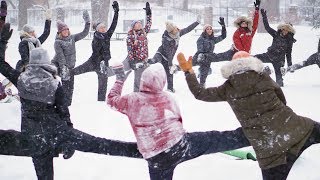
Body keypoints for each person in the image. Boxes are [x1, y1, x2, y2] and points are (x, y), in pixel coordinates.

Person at [0, 23, 142, 180]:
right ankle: (140, 151)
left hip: (33, 137)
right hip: (57, 132)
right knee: (100, 144)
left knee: (44, 174)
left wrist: (2, 42)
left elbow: (2, 65)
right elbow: (63, 111)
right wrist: (67, 137)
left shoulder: (21, 80)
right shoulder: (54, 83)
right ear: (47, 63)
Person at [178, 51, 319, 180]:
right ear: (252, 62)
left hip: (266, 147)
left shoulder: (228, 87)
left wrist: (189, 73)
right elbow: (281, 98)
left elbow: (200, 93)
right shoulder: (263, 77)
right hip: (296, 127)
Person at [107, 62, 251, 180]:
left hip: (154, 156)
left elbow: (111, 100)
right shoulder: (168, 98)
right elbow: (178, 120)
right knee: (216, 138)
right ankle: (250, 135)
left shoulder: (131, 100)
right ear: (162, 82)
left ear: (143, 80)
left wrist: (120, 79)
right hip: (179, 145)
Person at [72, 1, 119, 101]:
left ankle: (100, 104)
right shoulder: (96, 38)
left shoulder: (107, 35)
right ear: (97, 29)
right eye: (101, 27)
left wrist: (116, 12)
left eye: (104, 27)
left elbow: (114, 25)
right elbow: (97, 50)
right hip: (93, 62)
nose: (104, 28)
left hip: (103, 64)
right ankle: (63, 74)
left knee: (103, 86)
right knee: (75, 71)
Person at [148, 18, 200, 93]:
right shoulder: (166, 39)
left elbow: (188, 29)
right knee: (156, 60)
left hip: (168, 58)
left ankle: (170, 89)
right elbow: (168, 52)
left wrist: (197, 22)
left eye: (176, 27)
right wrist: (170, 64)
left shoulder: (178, 33)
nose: (177, 29)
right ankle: (148, 62)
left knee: (170, 73)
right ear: (171, 31)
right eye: (175, 28)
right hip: (161, 53)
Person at [52, 10, 91, 106]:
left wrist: (87, 22)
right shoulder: (58, 42)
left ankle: (68, 104)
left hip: (71, 67)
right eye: (63, 30)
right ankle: (63, 104)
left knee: (71, 87)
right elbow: (60, 57)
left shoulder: (72, 38)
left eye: (66, 29)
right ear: (60, 32)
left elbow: (84, 33)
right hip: (62, 66)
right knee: (65, 86)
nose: (65, 31)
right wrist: (64, 68)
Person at [254, 9, 296, 87]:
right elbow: (267, 27)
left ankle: (275, 76)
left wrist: (290, 65)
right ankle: (263, 71)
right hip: (269, 55)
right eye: (283, 29)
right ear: (281, 29)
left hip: (279, 61)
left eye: (287, 30)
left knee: (279, 84)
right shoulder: (276, 34)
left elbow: (288, 53)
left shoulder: (289, 40)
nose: (284, 31)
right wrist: (264, 16)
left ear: (289, 31)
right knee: (253, 58)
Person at [192, 17, 234, 87]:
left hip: (208, 57)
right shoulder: (201, 39)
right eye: (207, 29)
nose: (209, 30)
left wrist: (223, 26)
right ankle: (177, 67)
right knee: (193, 66)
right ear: (204, 31)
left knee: (204, 72)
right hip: (200, 56)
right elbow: (200, 50)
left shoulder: (212, 39)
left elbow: (223, 36)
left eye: (210, 29)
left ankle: (202, 84)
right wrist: (205, 56)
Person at [124, 2, 152, 92]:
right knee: (138, 79)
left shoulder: (144, 33)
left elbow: (149, 24)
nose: (139, 24)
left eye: (140, 23)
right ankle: (136, 94)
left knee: (147, 77)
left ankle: (146, 92)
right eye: (137, 23)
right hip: (137, 60)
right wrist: (132, 61)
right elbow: (130, 50)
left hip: (144, 60)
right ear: (133, 26)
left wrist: (148, 13)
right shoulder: (130, 36)